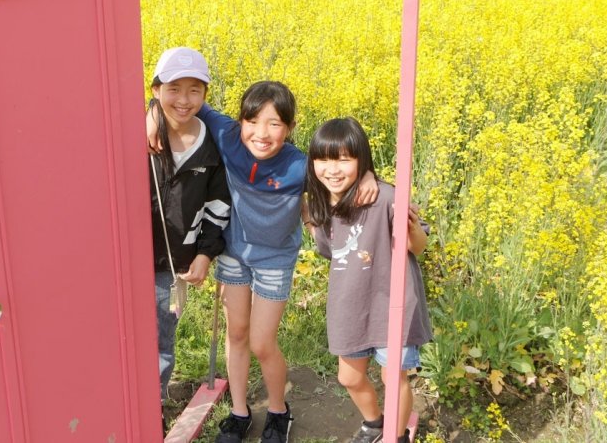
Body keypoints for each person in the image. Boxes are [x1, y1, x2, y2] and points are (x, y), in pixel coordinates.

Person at [158, 81, 378, 443]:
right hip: (234, 254)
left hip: (275, 259)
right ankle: (239, 411)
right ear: (241, 121)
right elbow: (186, 105)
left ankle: (279, 411)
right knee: (237, 334)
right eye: (253, 121)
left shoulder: (298, 165)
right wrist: (153, 116)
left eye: (274, 124)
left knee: (262, 342)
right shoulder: (228, 136)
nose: (261, 134)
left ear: (290, 128)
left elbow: (339, 172)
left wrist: (368, 173)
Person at [305, 117, 431, 443]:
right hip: (349, 305)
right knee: (349, 377)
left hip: (393, 303)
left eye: (344, 159)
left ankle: (396, 435)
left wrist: (413, 230)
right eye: (324, 159)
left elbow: (417, 247)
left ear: (362, 160)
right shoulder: (318, 206)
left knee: (394, 378)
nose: (332, 169)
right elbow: (328, 250)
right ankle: (374, 422)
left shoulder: (386, 197)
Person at [147, 47, 231, 411]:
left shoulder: (211, 146)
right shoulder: (135, 135)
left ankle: (152, 408)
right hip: (126, 257)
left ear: (205, 95)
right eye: (173, 88)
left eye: (194, 90)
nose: (183, 100)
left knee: (162, 339)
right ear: (155, 91)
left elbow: (218, 205)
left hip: (173, 262)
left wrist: (204, 253)